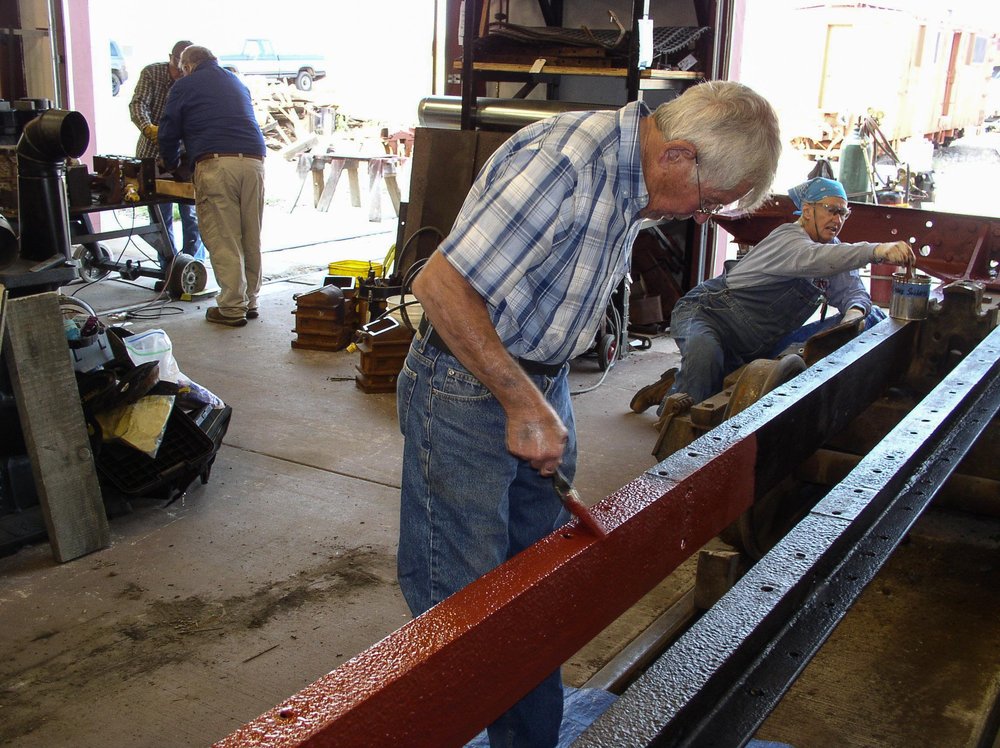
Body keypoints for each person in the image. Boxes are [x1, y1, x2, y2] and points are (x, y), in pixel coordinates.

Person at [396, 81, 782, 747]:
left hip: (540, 381)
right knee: (462, 601)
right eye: (709, 201)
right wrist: (521, 402)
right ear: (679, 157)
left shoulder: (634, 177)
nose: (699, 217)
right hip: (466, 384)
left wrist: (540, 398)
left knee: (535, 588)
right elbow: (439, 286)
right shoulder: (565, 164)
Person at [629, 177, 917, 414]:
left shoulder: (833, 250)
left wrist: (854, 314)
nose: (837, 219)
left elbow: (853, 289)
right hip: (708, 317)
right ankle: (674, 395)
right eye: (831, 209)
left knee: (872, 320)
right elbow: (813, 258)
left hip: (761, 340)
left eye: (843, 212)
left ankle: (681, 379)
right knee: (698, 395)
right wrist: (876, 251)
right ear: (807, 210)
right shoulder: (788, 239)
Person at [157, 45, 267, 328]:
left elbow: (169, 129)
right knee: (249, 234)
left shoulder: (185, 84)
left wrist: (170, 164)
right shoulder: (236, 82)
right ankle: (250, 301)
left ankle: (231, 307)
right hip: (255, 162)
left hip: (218, 164)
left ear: (188, 66)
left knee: (224, 236)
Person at [129, 39, 205, 269]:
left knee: (191, 213)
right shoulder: (152, 73)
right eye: (178, 63)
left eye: (187, 66)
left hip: (184, 155)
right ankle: (169, 268)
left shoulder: (194, 80)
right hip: (152, 154)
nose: (182, 70)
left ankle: (192, 267)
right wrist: (147, 127)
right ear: (171, 57)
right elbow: (138, 104)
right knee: (160, 216)